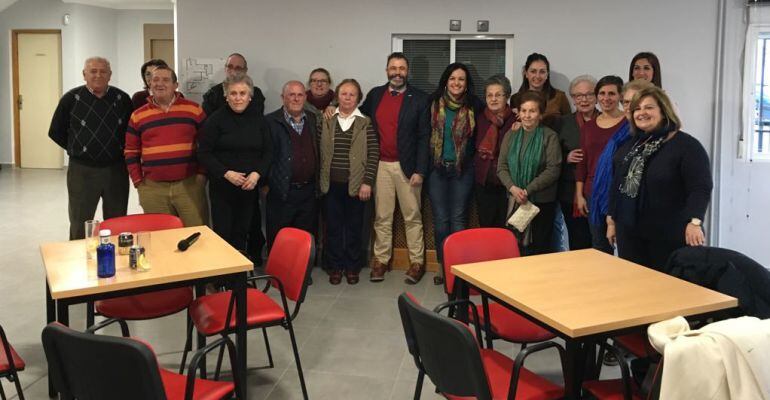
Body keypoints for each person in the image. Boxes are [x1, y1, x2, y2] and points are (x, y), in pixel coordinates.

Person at [607, 86, 712, 270]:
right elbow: (617, 185)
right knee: (634, 286)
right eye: (637, 109)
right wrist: (612, 221)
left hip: (669, 233)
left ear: (664, 111)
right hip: (630, 232)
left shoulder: (686, 146)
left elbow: (700, 187)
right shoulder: (630, 146)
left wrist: (695, 222)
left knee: (668, 290)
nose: (642, 113)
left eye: (649, 107)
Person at [360, 52, 430, 283]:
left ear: (407, 71)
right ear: (386, 70)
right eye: (393, 68)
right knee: (382, 217)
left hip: (407, 168)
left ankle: (417, 263)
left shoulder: (419, 98)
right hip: (380, 166)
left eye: (401, 68)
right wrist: (333, 107)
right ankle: (380, 261)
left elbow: (424, 137)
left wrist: (420, 169)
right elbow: (358, 116)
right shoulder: (375, 95)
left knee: (412, 217)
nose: (397, 72)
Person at [48, 57, 133, 240]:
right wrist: (78, 148)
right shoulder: (71, 99)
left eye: (103, 71)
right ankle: (78, 262)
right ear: (84, 74)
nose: (98, 75)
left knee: (117, 221)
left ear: (110, 75)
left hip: (116, 169)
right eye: (93, 71)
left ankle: (115, 261)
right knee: (80, 221)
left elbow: (131, 132)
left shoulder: (122, 99)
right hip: (82, 171)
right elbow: (55, 131)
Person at [202, 52, 267, 264]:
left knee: (243, 232)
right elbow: (203, 153)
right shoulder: (215, 120)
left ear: (250, 96)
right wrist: (226, 173)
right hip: (223, 187)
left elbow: (269, 152)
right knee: (223, 233)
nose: (238, 98)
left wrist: (257, 174)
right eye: (234, 94)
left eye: (242, 93)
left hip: (248, 187)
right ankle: (223, 279)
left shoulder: (259, 120)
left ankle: (239, 277)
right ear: (226, 96)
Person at [125, 65, 209, 227]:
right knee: (160, 238)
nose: (159, 84)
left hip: (189, 185)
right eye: (155, 80)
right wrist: (138, 182)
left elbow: (206, 145)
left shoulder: (194, 110)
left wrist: (202, 173)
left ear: (175, 85)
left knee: (197, 233)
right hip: (152, 188)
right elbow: (131, 151)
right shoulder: (138, 115)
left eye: (165, 80)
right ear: (149, 84)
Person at [319, 79, 379, 285]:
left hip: (356, 186)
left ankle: (353, 267)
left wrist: (367, 182)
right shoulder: (326, 119)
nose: (347, 97)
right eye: (343, 93)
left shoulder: (366, 122)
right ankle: (335, 267)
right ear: (337, 96)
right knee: (333, 228)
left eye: (352, 94)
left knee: (355, 228)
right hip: (330, 185)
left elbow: (373, 155)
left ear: (358, 98)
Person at [427, 63, 484, 275]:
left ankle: (457, 268)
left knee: (459, 219)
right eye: (452, 78)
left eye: (461, 79)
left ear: (467, 84)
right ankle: (444, 268)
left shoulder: (475, 106)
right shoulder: (432, 103)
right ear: (446, 81)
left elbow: (496, 117)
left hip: (463, 170)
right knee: (441, 221)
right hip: (436, 170)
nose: (456, 83)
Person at [497, 91, 562, 255]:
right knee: (515, 246)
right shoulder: (511, 135)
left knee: (539, 248)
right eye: (524, 110)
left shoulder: (549, 136)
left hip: (541, 202)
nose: (527, 115)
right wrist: (513, 188)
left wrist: (528, 190)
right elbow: (501, 167)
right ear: (518, 113)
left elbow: (553, 169)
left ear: (540, 114)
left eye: (532, 111)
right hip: (514, 199)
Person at [575, 76, 627, 254]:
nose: (606, 98)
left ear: (620, 96)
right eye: (602, 93)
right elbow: (582, 163)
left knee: (626, 245)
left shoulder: (629, 124)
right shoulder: (588, 127)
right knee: (599, 246)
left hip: (620, 193)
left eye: (612, 93)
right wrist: (579, 195)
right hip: (593, 193)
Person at [265, 81, 319, 249]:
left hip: (308, 192)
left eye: (300, 95)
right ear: (283, 98)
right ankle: (278, 274)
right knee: (280, 238)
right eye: (291, 95)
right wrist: (266, 184)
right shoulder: (270, 122)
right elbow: (264, 156)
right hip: (281, 192)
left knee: (305, 238)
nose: (296, 99)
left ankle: (303, 274)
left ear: (305, 97)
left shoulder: (312, 119)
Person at [555, 75, 597, 250]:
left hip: (597, 191)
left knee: (599, 240)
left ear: (596, 97)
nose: (584, 99)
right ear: (572, 98)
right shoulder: (563, 123)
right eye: (579, 95)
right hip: (569, 191)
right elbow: (551, 156)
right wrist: (566, 157)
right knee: (577, 239)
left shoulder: (607, 121)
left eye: (589, 94)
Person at [474, 75, 518, 228]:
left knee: (507, 228)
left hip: (508, 185)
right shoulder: (478, 119)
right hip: (484, 183)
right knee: (487, 227)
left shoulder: (516, 120)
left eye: (498, 95)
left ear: (507, 96)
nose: (493, 99)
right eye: (489, 95)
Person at [510, 53, 570, 130]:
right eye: (533, 71)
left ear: (547, 74)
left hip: (554, 141)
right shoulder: (516, 99)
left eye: (542, 72)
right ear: (526, 73)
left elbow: (569, 124)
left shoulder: (559, 97)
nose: (537, 76)